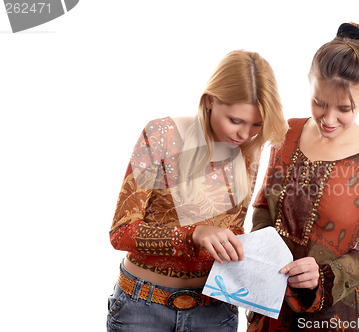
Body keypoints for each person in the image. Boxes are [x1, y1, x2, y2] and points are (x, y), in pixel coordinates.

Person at [107, 50, 288, 332]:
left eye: (257, 124)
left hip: (215, 311)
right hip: (142, 308)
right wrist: (194, 234)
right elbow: (121, 232)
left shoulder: (247, 150)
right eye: (235, 120)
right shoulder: (160, 135)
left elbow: (232, 232)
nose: (244, 134)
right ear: (210, 101)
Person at [248, 23, 359, 331]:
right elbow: (264, 205)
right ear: (309, 83)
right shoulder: (288, 132)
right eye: (319, 103)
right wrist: (262, 253)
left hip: (330, 316)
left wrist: (324, 275)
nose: (328, 119)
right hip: (267, 304)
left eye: (345, 109)